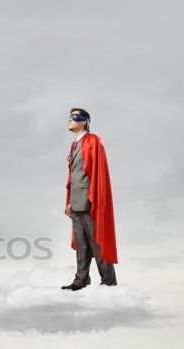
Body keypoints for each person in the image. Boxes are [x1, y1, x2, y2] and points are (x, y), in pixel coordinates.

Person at [61, 108, 118, 291]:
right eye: (69, 117)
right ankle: (81, 280)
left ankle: (109, 281)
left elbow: (97, 173)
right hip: (76, 201)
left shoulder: (93, 141)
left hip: (90, 200)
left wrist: (95, 199)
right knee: (81, 244)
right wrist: (69, 201)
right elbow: (73, 177)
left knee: (97, 242)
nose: (70, 120)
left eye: (75, 117)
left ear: (84, 121)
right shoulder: (74, 145)